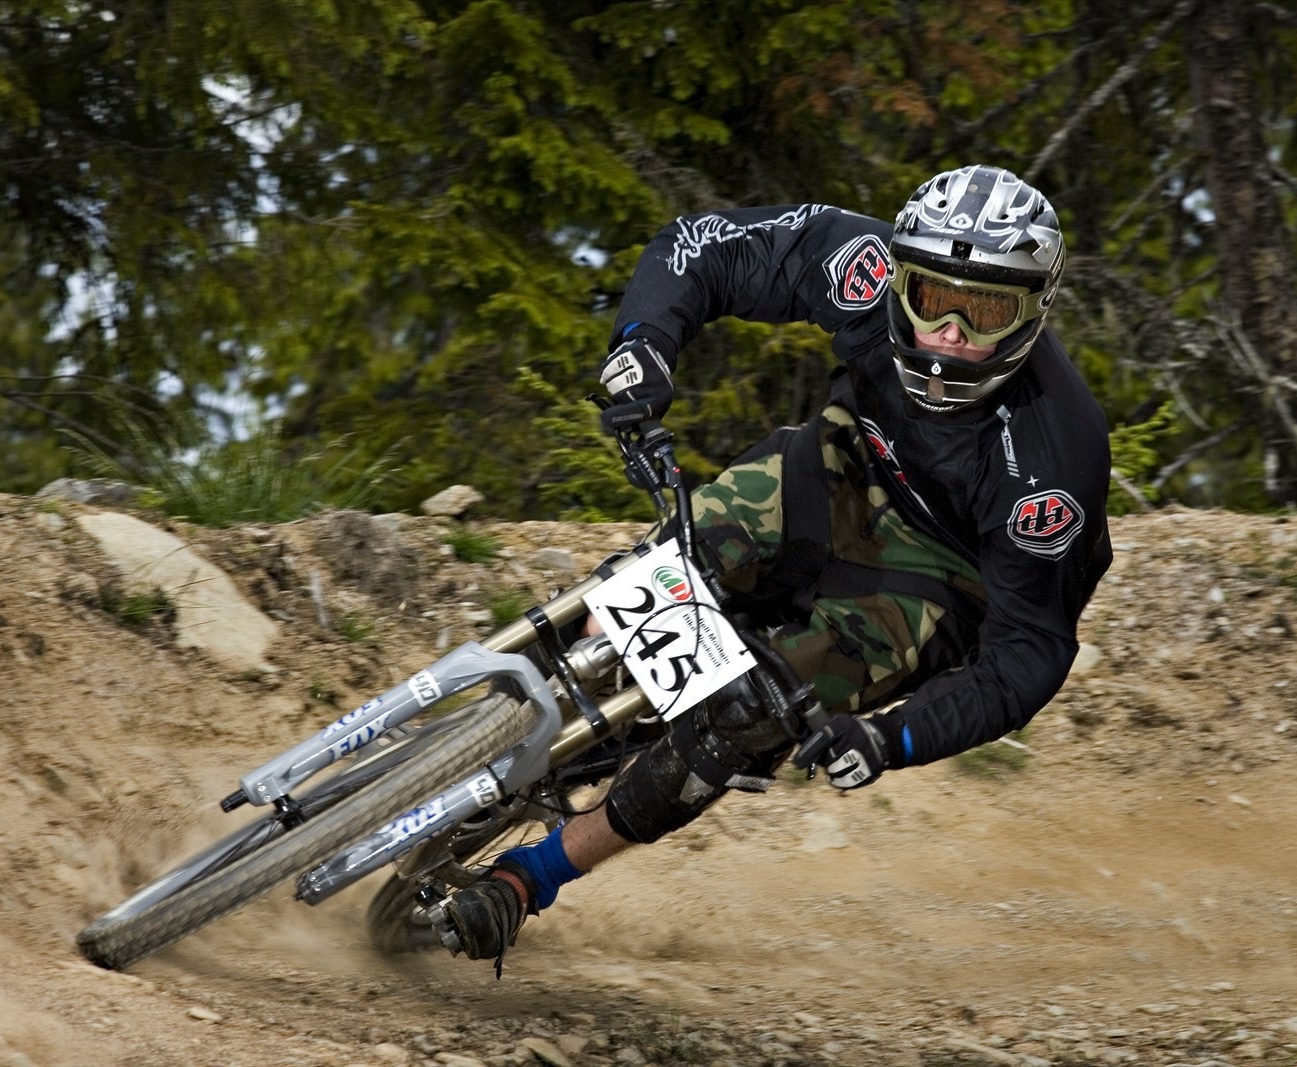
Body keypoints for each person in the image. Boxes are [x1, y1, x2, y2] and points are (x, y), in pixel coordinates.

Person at [438, 164, 1114, 969]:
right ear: (899, 278)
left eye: (987, 311)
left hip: (942, 577)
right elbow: (704, 245)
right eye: (933, 298)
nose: (951, 334)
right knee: (671, 565)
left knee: (748, 718)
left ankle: (529, 877)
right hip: (840, 467)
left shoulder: (1054, 461)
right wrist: (643, 345)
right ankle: (491, 715)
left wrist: (891, 736)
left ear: (1033, 312)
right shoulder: (861, 267)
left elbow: (1027, 656)